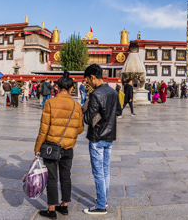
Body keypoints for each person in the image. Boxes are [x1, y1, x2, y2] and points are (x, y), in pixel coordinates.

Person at [32, 75, 84, 219]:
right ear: (72, 88)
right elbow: (80, 129)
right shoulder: (77, 106)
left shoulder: (50, 103)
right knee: (66, 177)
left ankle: (51, 209)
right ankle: (65, 206)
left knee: (52, 179)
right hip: (68, 148)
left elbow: (44, 129)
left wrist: (37, 148)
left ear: (58, 87)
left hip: (51, 148)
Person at [81, 64, 121, 215]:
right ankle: (103, 199)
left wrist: (85, 108)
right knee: (105, 171)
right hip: (109, 136)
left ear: (92, 77)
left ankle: (101, 205)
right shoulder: (113, 92)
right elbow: (118, 111)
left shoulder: (96, 95)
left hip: (97, 137)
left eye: (87, 81)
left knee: (98, 172)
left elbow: (87, 118)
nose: (88, 84)